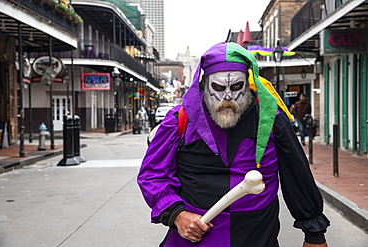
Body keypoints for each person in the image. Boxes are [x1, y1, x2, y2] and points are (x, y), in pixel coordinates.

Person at [137, 42, 329, 247]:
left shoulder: (271, 119)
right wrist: (177, 214)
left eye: (236, 86)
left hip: (257, 238)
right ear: (204, 84)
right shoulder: (178, 120)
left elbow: (297, 174)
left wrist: (314, 234)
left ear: (248, 83)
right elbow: (152, 174)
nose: (227, 96)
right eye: (218, 87)